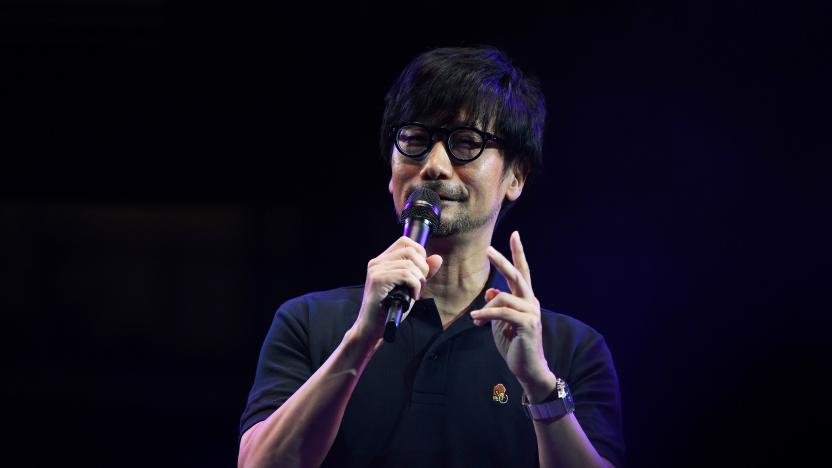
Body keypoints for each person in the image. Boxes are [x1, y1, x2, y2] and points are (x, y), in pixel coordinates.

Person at [238, 46, 625, 468]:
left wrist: (540, 387)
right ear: (391, 172)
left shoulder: (570, 348)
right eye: (416, 141)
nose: (435, 166)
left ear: (515, 176)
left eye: (465, 143)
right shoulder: (309, 322)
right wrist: (361, 339)